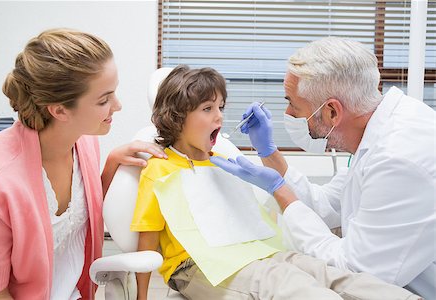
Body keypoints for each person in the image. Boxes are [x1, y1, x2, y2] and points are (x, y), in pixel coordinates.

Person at [131, 64, 419, 300]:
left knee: (323, 272)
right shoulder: (159, 168)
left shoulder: (222, 159)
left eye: (221, 106)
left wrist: (267, 156)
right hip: (197, 266)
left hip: (254, 252)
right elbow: (148, 237)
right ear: (177, 117)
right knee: (288, 283)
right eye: (208, 109)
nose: (220, 115)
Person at [211, 36, 436, 299]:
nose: (289, 113)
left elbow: (356, 274)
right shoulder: (377, 130)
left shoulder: (397, 158)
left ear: (332, 112)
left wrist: (281, 192)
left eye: (293, 104)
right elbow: (327, 205)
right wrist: (269, 154)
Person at [0, 28, 166, 299]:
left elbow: (77, 217)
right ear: (59, 110)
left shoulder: (84, 143)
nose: (118, 105)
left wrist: (110, 166)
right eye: (104, 99)